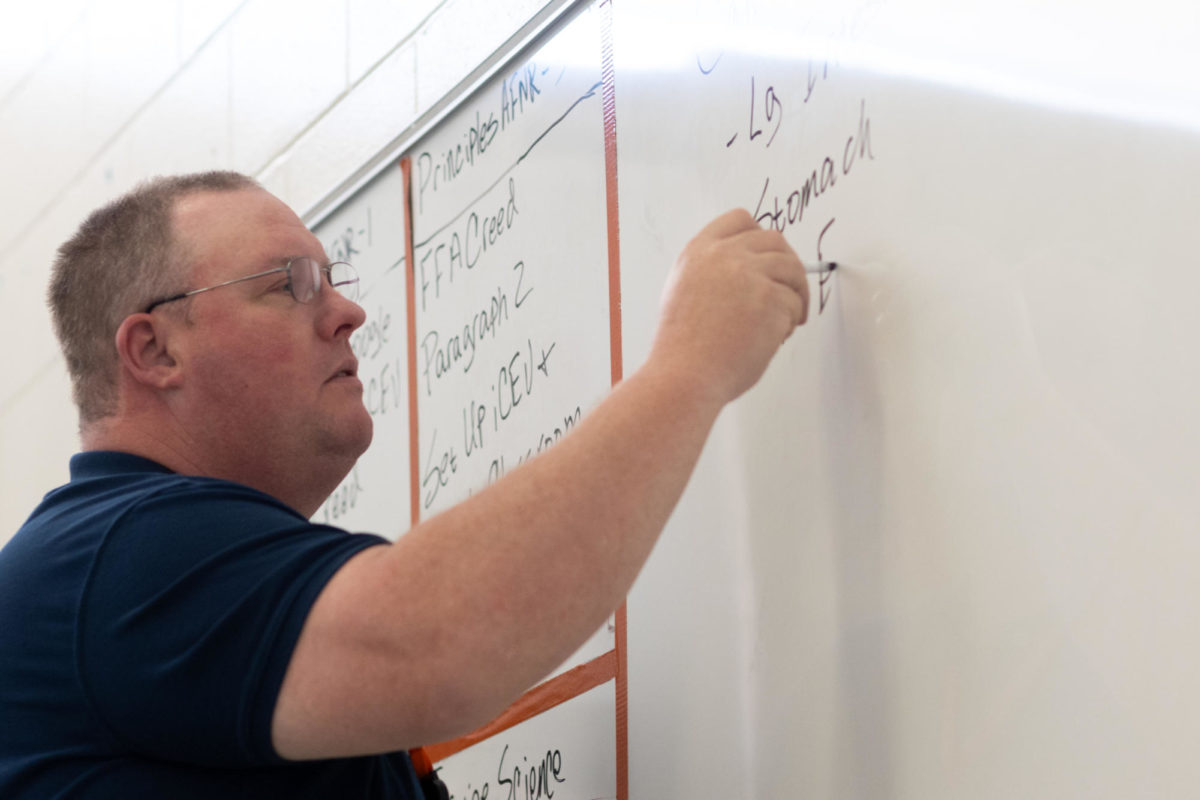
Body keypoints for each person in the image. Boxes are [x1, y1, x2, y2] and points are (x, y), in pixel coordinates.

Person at [0, 171, 810, 798]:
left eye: (332, 277)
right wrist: (690, 365)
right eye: (288, 285)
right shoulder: (120, 556)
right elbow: (444, 642)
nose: (348, 311)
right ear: (154, 352)